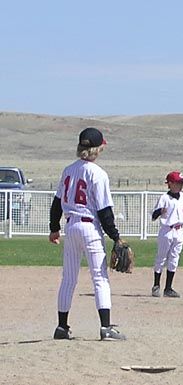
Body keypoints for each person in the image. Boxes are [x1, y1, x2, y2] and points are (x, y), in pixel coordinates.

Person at [48, 127, 126, 341]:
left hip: (71, 226)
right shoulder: (98, 174)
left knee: (68, 279)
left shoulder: (68, 170)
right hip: (90, 228)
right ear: (97, 148)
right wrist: (116, 236)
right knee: (99, 278)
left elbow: (56, 204)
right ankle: (106, 328)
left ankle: (61, 328)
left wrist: (54, 228)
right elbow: (104, 211)